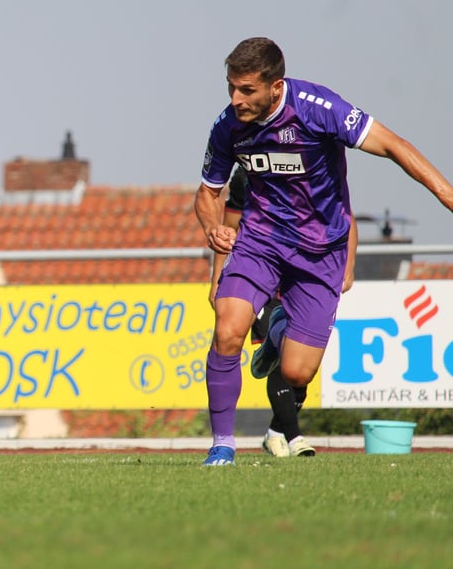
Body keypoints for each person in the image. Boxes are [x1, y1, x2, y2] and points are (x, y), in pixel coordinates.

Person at [194, 36, 453, 466]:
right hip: (260, 241)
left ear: (276, 86)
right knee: (227, 328)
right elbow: (207, 193)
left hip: (320, 250)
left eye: (246, 90)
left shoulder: (319, 108)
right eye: (231, 88)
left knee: (297, 372)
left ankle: (276, 328)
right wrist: (212, 228)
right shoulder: (227, 127)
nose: (235, 99)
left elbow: (394, 145)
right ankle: (222, 445)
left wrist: (446, 194)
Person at [209, 166, 358, 458]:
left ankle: (277, 432)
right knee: (260, 350)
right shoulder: (245, 176)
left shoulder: (316, 165)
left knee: (297, 368)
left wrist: (348, 265)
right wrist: (217, 279)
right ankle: (291, 436)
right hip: (259, 271)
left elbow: (345, 217)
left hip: (306, 270)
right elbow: (228, 229)